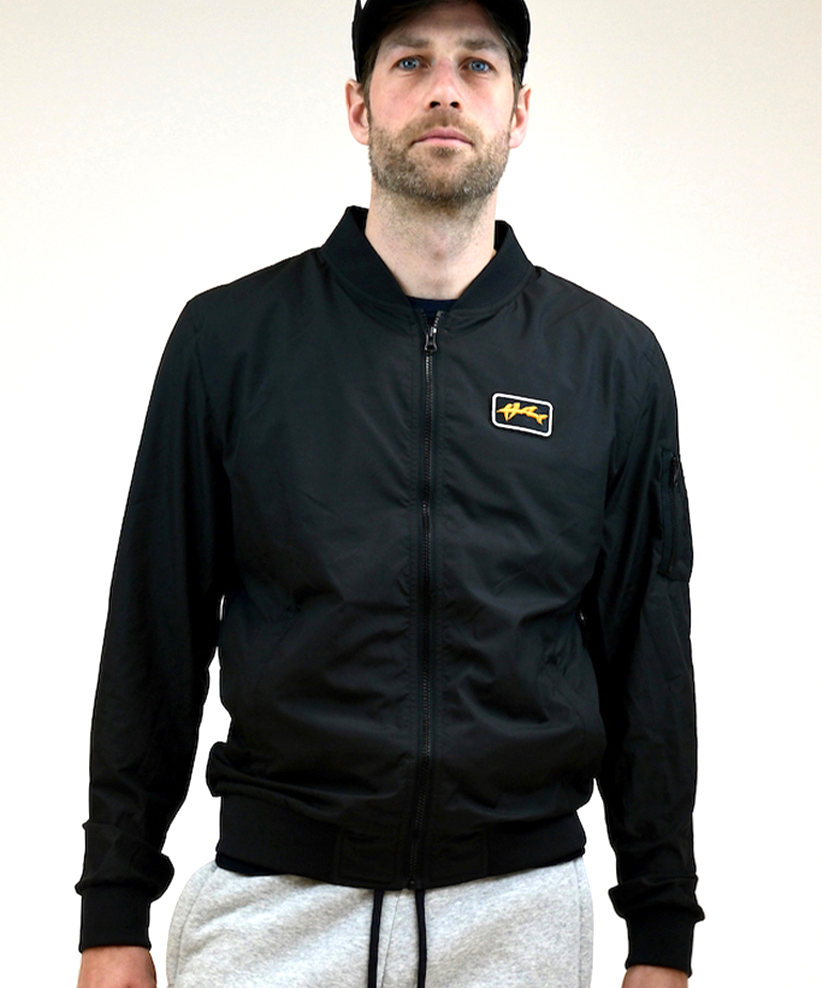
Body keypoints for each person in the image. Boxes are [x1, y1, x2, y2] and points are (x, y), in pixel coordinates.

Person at [75, 1, 703, 986]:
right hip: (276, 908)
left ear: (520, 111)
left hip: (518, 920)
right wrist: (112, 913)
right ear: (359, 107)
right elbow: (153, 631)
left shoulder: (609, 363)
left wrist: (662, 935)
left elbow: (648, 658)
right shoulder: (229, 342)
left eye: (478, 64)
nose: (445, 89)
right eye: (410, 61)